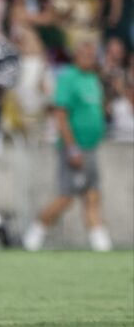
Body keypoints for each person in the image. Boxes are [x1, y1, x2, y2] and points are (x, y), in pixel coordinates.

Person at [22, 40, 112, 252]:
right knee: (66, 197)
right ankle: (35, 232)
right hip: (75, 148)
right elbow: (61, 115)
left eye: (92, 55)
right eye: (85, 54)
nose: (89, 58)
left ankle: (98, 238)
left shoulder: (92, 78)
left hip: (90, 147)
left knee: (92, 193)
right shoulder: (68, 79)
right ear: (77, 56)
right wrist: (72, 148)